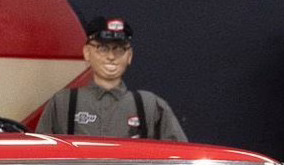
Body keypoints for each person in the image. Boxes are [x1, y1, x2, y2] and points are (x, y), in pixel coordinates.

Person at [37, 16, 187, 141]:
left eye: (119, 49)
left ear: (129, 55)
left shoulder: (150, 106)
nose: (111, 57)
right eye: (103, 48)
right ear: (87, 52)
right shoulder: (63, 104)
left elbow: (180, 158)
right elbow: (40, 157)